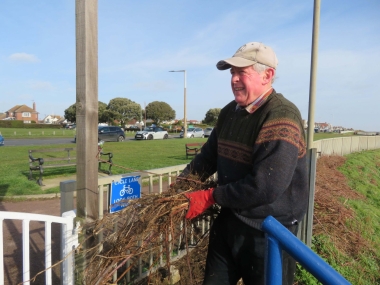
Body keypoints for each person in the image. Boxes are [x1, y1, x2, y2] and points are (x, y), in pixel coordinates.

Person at [178, 42, 308, 285]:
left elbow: (266, 186)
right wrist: (180, 186)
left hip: (270, 230)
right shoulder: (230, 112)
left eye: (242, 73)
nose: (234, 80)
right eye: (232, 73)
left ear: (267, 75)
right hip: (230, 219)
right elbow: (208, 156)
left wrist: (209, 197)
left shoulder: (281, 116)